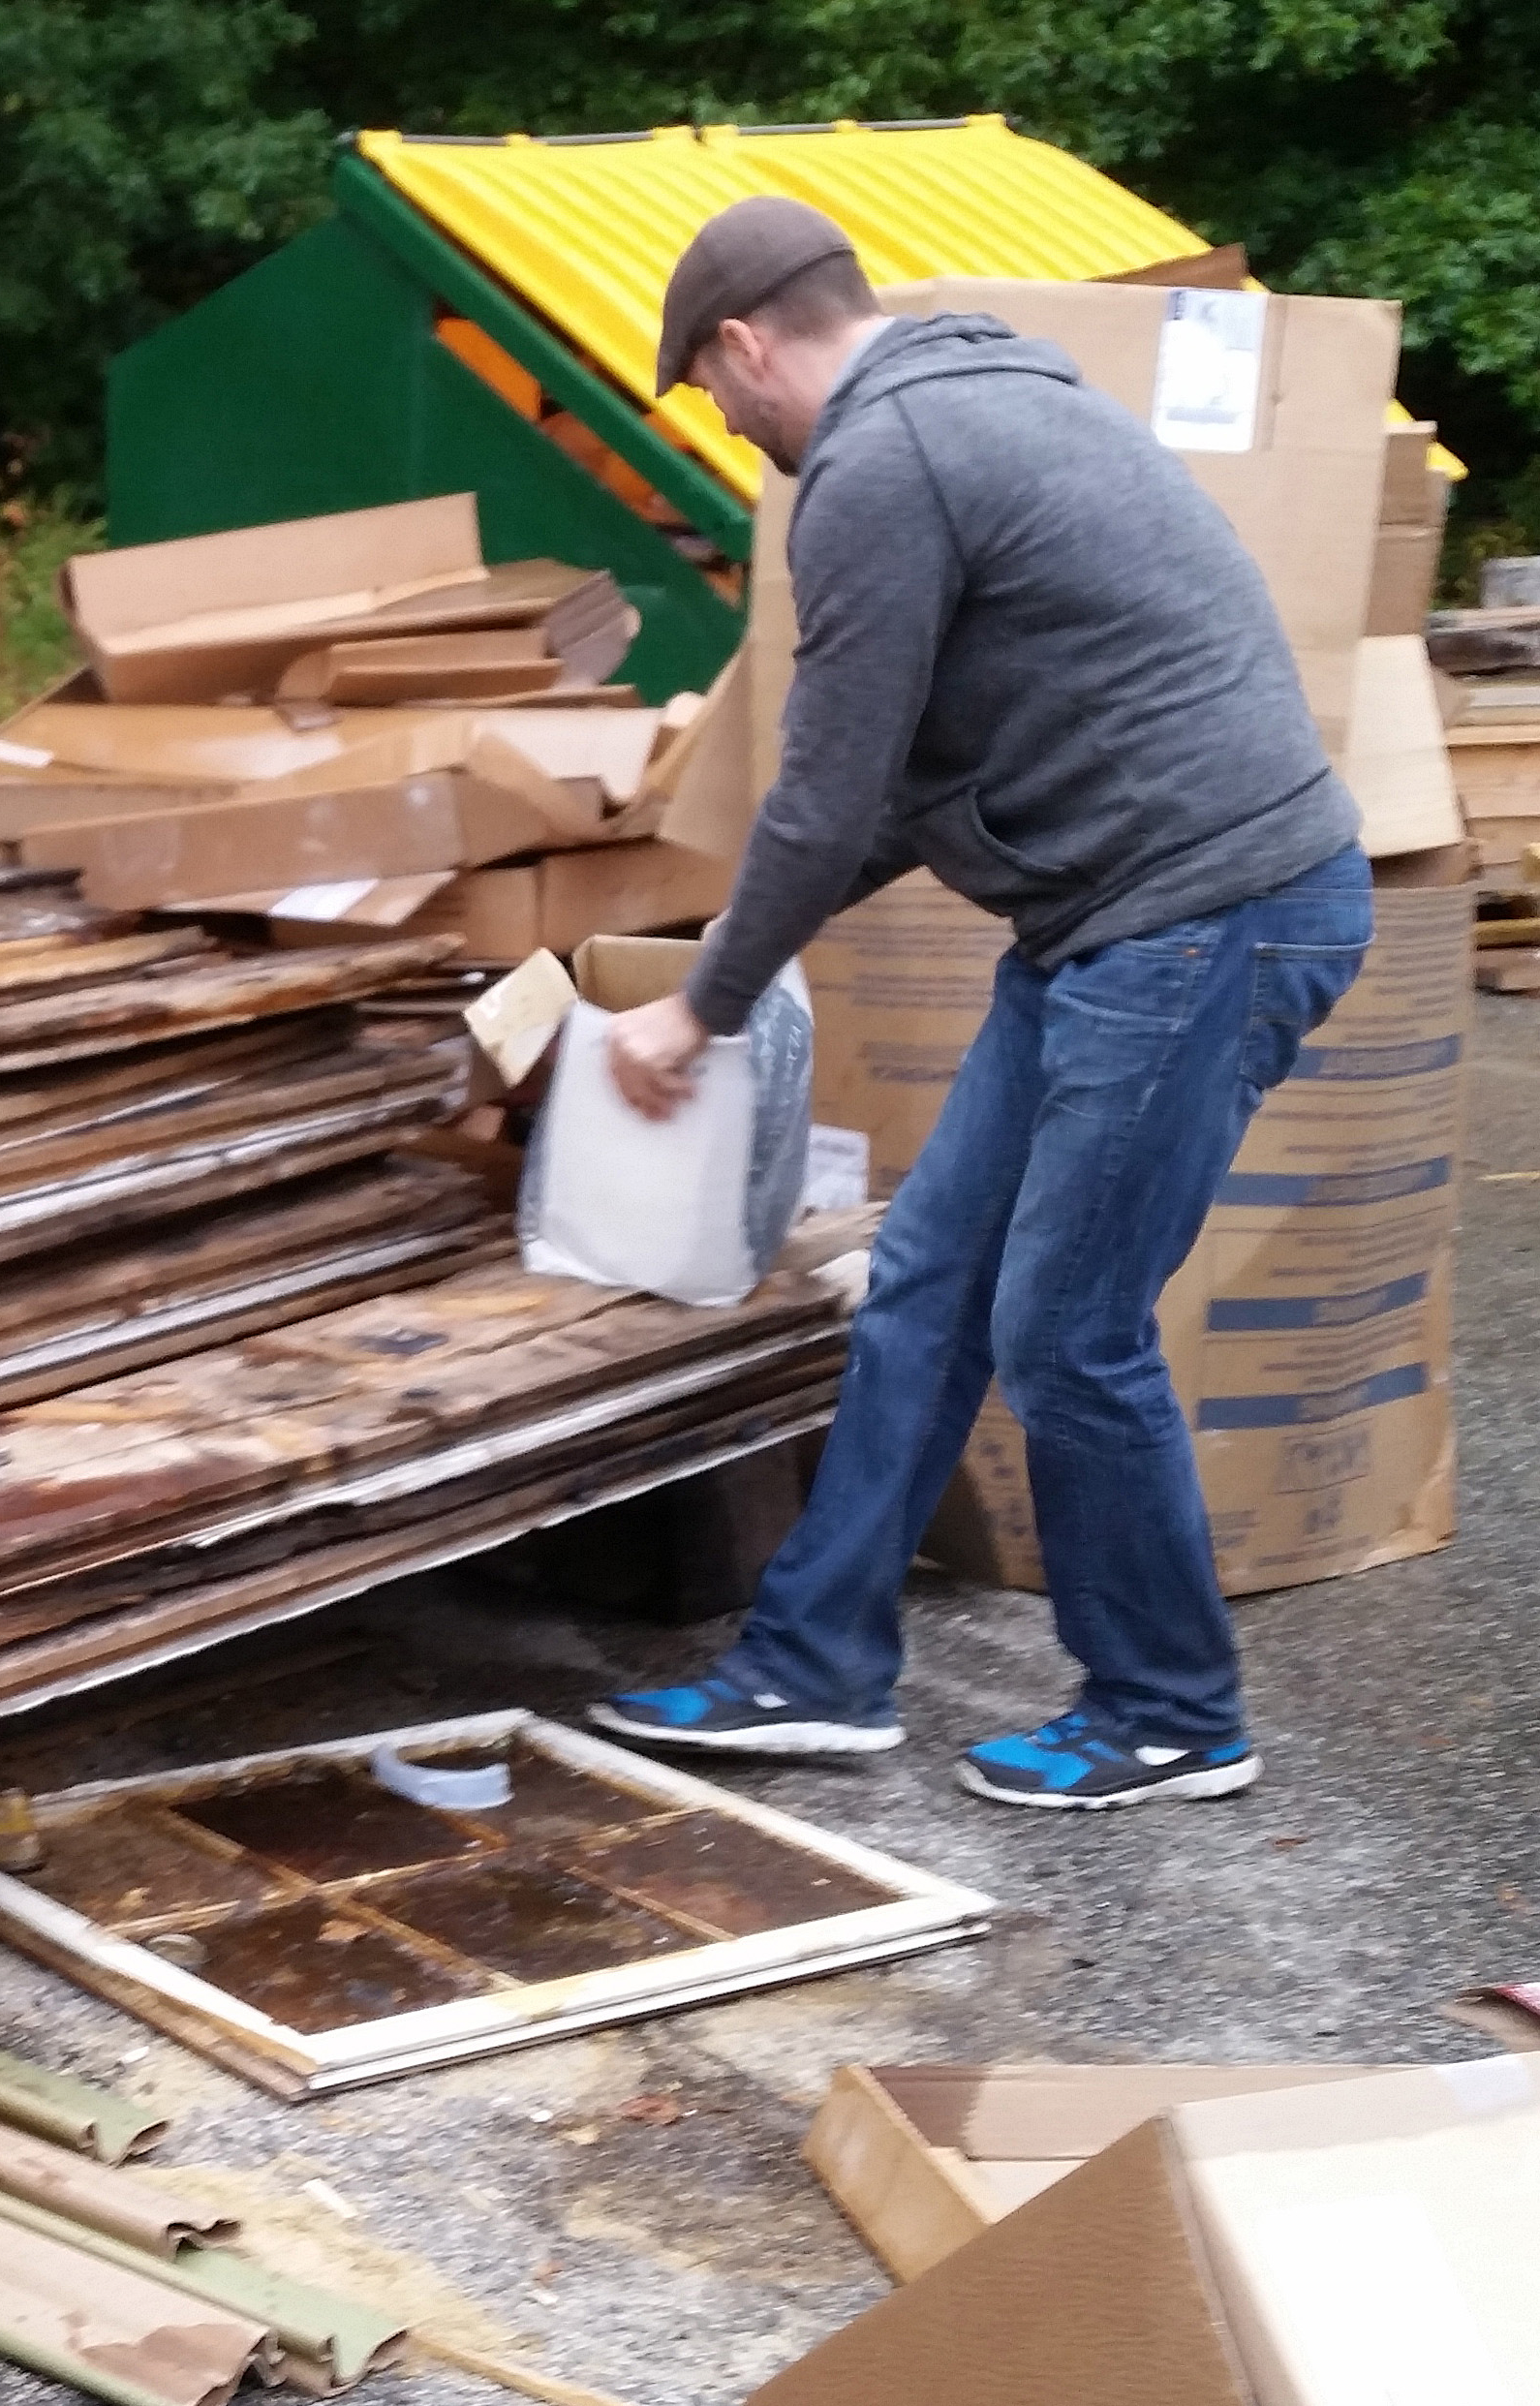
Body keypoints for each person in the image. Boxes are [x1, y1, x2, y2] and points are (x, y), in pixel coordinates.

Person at [582, 197, 1371, 1809]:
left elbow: (819, 794)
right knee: (931, 1275)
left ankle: (1169, 1710)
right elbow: (870, 806)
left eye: (713, 394)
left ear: (745, 344)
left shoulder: (885, 464)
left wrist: (702, 1005)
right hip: (1123, 919)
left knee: (1066, 1328)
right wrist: (730, 949)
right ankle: (815, 1669)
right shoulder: (987, 399)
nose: (732, 429)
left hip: (1202, 918)